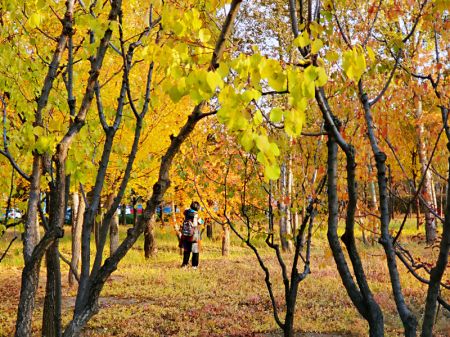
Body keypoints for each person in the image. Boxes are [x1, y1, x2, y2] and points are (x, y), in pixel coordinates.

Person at [180, 201, 203, 269]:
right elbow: (199, 223)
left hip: (185, 234)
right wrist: (201, 220)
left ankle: (184, 265)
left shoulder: (186, 212)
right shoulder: (196, 215)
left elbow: (186, 209)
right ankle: (194, 266)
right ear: (197, 208)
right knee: (195, 250)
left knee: (186, 250)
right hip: (194, 235)